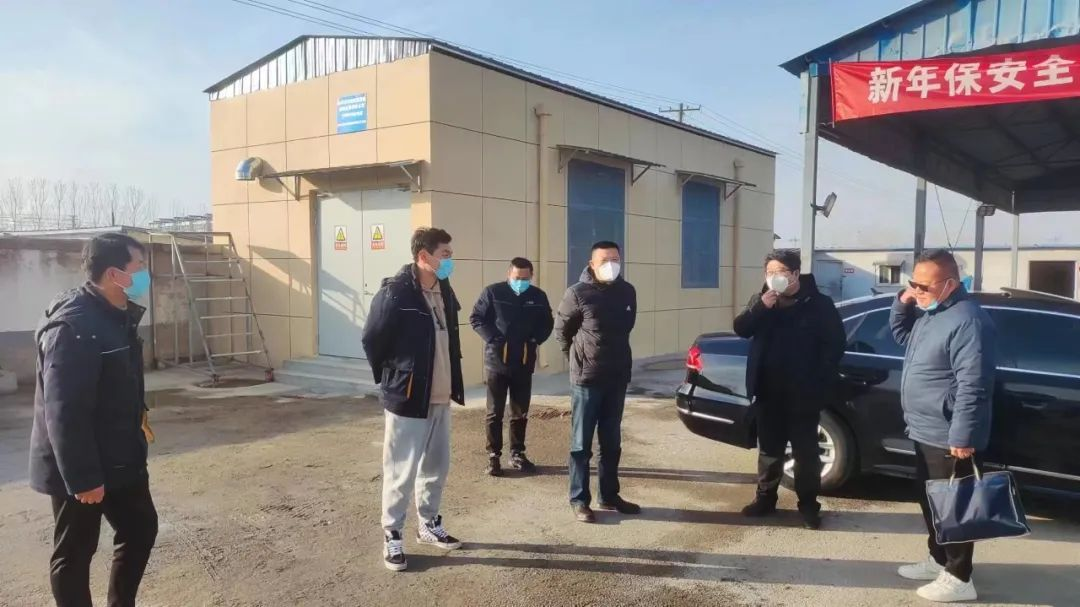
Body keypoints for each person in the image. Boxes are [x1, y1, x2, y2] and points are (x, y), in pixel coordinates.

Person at [29, 232, 159, 607]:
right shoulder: (75, 328)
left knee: (140, 528)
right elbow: (63, 411)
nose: (145, 274)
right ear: (114, 274)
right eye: (139, 266)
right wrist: (84, 478)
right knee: (75, 552)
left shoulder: (114, 314)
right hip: (81, 465)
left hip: (120, 455)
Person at [891, 249, 996, 603]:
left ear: (950, 284)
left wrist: (963, 436)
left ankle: (959, 577)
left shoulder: (968, 321)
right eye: (913, 283)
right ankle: (939, 560)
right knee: (932, 502)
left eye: (924, 286)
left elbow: (974, 384)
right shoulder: (932, 315)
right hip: (924, 429)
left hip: (948, 433)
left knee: (955, 507)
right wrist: (903, 302)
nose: (917, 291)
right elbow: (902, 336)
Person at [362, 227, 466, 572]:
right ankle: (392, 534)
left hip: (440, 397)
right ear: (424, 256)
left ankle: (428, 524)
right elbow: (373, 340)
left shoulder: (444, 289)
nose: (449, 261)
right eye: (445, 255)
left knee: (436, 467)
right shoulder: (396, 293)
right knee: (400, 471)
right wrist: (394, 379)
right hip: (408, 398)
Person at [733, 249, 845, 530]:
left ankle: (808, 506)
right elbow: (741, 329)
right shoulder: (761, 300)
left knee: (806, 454)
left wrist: (817, 381)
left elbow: (835, 346)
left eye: (780, 272)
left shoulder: (819, 304)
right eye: (770, 272)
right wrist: (761, 307)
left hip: (803, 395)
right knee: (769, 452)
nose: (774, 277)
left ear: (795, 274)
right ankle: (765, 499)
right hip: (768, 393)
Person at [555, 241, 639, 523]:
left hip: (617, 377)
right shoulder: (577, 293)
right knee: (581, 444)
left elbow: (627, 328)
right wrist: (577, 359)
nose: (611, 265)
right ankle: (579, 500)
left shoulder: (627, 291)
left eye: (615, 259)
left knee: (611, 442)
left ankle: (609, 495)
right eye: (604, 260)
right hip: (587, 380)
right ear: (592, 264)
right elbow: (562, 332)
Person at [469, 257, 554, 477]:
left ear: (531, 276)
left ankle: (517, 453)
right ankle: (493, 456)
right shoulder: (493, 292)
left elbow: (547, 322)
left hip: (524, 363)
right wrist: (494, 339)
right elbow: (477, 318)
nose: (521, 282)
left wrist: (535, 339)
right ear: (509, 274)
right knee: (494, 412)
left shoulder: (538, 296)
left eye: (525, 278)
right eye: (517, 277)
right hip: (497, 363)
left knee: (520, 412)